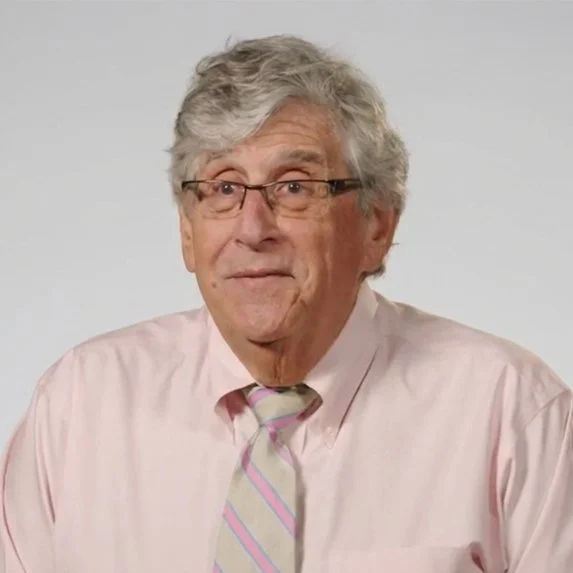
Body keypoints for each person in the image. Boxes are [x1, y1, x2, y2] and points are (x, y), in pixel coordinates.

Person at [1, 34, 572, 573]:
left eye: (295, 187)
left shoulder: (512, 414)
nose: (253, 229)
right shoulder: (79, 407)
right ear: (187, 232)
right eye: (224, 188)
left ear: (377, 225)